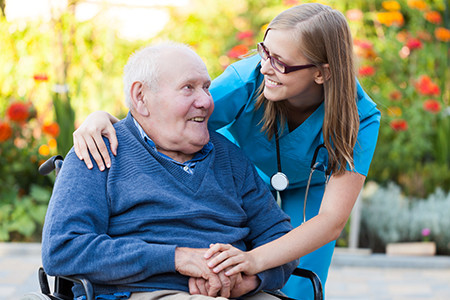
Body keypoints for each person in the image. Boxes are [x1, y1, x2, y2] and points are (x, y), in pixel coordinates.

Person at [72, 3, 380, 299]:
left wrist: (254, 262)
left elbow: (330, 220)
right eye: (264, 51)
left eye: (280, 63)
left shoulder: (360, 118)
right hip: (247, 176)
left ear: (321, 73)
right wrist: (103, 118)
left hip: (311, 186)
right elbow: (164, 118)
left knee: (301, 278)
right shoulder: (245, 81)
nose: (265, 67)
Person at [42, 42, 298, 300]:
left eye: (206, 87)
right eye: (188, 88)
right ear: (141, 97)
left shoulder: (230, 157)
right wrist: (177, 258)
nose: (206, 101)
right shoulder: (97, 152)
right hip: (142, 292)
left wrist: (251, 279)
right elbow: (63, 248)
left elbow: (280, 238)